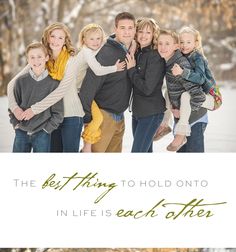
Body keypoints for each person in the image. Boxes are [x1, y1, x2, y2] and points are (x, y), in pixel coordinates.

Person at [8, 23, 85, 152]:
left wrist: (34, 109)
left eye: (61, 37)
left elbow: (60, 91)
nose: (56, 40)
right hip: (50, 117)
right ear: (47, 37)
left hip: (71, 116)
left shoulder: (71, 60)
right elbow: (12, 84)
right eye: (53, 36)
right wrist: (15, 108)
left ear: (65, 40)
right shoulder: (42, 58)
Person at [79, 12, 136, 152]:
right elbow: (89, 86)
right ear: (115, 29)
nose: (127, 32)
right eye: (122, 28)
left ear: (135, 29)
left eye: (130, 28)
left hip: (120, 117)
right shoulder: (106, 52)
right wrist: (87, 119)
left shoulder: (128, 49)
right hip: (103, 116)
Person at [157, 29, 207, 151]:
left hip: (195, 118)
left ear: (176, 46)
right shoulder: (168, 62)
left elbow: (198, 96)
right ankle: (165, 124)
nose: (162, 47)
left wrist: (183, 112)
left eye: (167, 44)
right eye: (160, 43)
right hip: (180, 118)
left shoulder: (179, 65)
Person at [8, 42, 63, 152]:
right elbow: (13, 106)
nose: (36, 60)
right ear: (27, 60)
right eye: (32, 57)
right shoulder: (20, 81)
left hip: (42, 134)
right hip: (21, 132)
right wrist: (16, 125)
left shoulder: (54, 84)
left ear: (46, 58)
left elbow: (58, 113)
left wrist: (46, 130)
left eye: (39, 57)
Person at [125, 18, 165, 152]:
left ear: (154, 34)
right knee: (145, 153)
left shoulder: (155, 56)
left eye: (148, 32)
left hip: (151, 113)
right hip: (137, 112)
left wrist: (131, 70)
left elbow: (147, 88)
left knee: (137, 153)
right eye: (140, 31)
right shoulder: (138, 52)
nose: (143, 35)